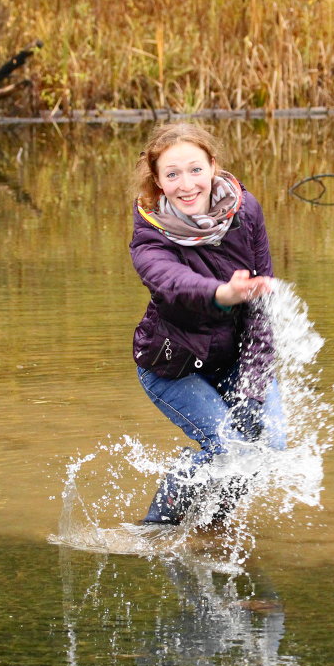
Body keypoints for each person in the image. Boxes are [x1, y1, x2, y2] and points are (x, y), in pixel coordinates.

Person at [128, 122, 286, 526]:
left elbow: (262, 310)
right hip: (172, 367)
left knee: (267, 442)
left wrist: (251, 392)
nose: (187, 184)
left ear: (213, 167)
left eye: (196, 169)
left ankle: (214, 526)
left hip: (235, 359)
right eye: (173, 174)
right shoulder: (149, 237)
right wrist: (222, 294)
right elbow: (174, 284)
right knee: (227, 444)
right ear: (159, 183)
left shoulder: (245, 210)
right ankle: (158, 528)